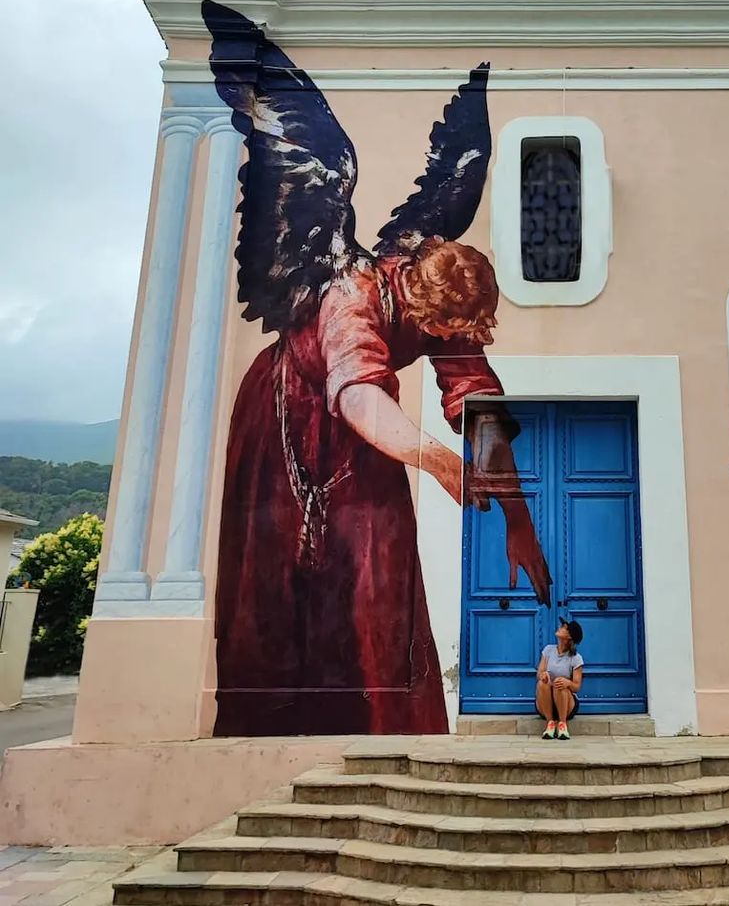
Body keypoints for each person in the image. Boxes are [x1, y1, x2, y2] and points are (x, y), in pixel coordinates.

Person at [214, 238, 551, 737]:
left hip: (375, 432)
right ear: (417, 300)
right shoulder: (353, 290)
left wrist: (518, 521)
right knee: (273, 589)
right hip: (285, 420)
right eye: (439, 330)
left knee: (384, 576)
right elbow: (359, 395)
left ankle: (389, 729)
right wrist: (440, 462)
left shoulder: (450, 300)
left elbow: (479, 409)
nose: (446, 339)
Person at [536, 618, 584, 740]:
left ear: (569, 637)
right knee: (542, 684)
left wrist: (567, 682)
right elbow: (540, 672)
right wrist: (543, 675)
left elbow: (577, 687)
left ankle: (562, 725)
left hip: (566, 705)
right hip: (546, 704)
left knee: (560, 683)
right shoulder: (548, 650)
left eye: (564, 627)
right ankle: (550, 724)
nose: (560, 627)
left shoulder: (575, 658)